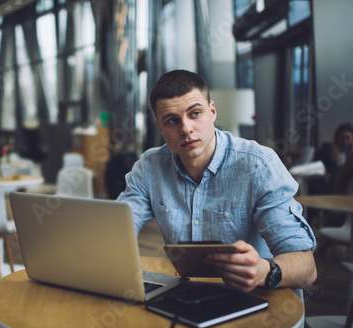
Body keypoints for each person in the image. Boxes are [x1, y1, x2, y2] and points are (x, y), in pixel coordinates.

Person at [118, 70, 316, 296]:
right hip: (187, 296)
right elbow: (117, 233)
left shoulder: (258, 165)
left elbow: (307, 269)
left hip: (258, 300)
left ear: (212, 111)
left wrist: (263, 271)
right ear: (160, 127)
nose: (186, 129)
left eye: (194, 113)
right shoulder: (149, 167)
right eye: (172, 121)